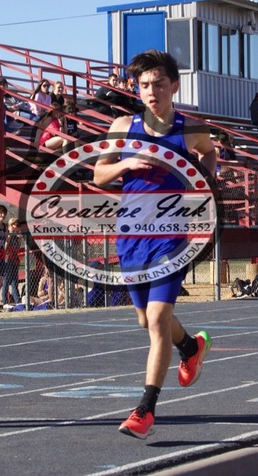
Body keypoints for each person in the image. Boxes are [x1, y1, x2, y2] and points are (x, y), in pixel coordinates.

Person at [93, 50, 216, 440]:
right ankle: (190, 347)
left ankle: (145, 410)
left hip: (171, 235)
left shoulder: (189, 128)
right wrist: (126, 165)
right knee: (147, 321)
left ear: (174, 86)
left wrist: (203, 182)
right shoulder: (122, 125)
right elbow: (98, 174)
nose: (151, 91)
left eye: (158, 84)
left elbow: (210, 154)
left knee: (158, 320)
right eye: (144, 85)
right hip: (131, 237)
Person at [1, 218, 22, 306]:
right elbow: (4, 249)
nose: (17, 227)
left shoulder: (15, 236)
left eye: (17, 225)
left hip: (14, 259)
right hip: (7, 259)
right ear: (11, 225)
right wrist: (8, 238)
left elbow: (17, 248)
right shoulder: (7, 234)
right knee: (6, 280)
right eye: (15, 225)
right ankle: (5, 301)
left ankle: (17, 300)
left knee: (14, 281)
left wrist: (19, 239)